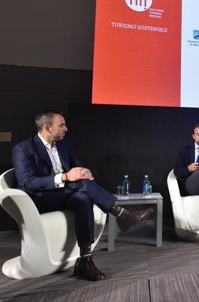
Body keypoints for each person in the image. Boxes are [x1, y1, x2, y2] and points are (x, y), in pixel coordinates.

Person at [12, 109, 153, 281]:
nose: (66, 128)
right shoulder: (23, 149)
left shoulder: (63, 146)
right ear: (47, 128)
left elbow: (77, 167)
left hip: (64, 194)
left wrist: (84, 172)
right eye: (61, 125)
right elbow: (27, 182)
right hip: (39, 199)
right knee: (83, 188)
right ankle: (122, 215)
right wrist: (64, 177)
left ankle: (85, 261)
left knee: (83, 198)